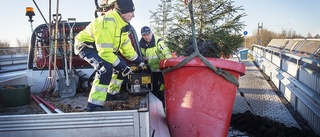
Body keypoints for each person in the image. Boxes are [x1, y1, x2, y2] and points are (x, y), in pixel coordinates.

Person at [74, 0, 144, 112]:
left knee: (121, 67)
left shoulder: (123, 25)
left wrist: (140, 62)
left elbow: (126, 48)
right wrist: (122, 66)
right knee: (105, 68)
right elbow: (105, 52)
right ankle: (93, 105)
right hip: (86, 46)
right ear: (122, 12)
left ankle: (111, 93)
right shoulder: (107, 23)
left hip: (100, 48)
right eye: (131, 12)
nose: (133, 15)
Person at [139, 26, 172, 104]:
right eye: (144, 35)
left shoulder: (158, 41)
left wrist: (170, 62)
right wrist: (143, 59)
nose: (147, 37)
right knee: (153, 90)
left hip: (161, 70)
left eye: (148, 34)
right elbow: (139, 56)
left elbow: (166, 51)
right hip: (151, 71)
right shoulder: (141, 45)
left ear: (151, 32)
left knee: (163, 89)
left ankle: (164, 106)